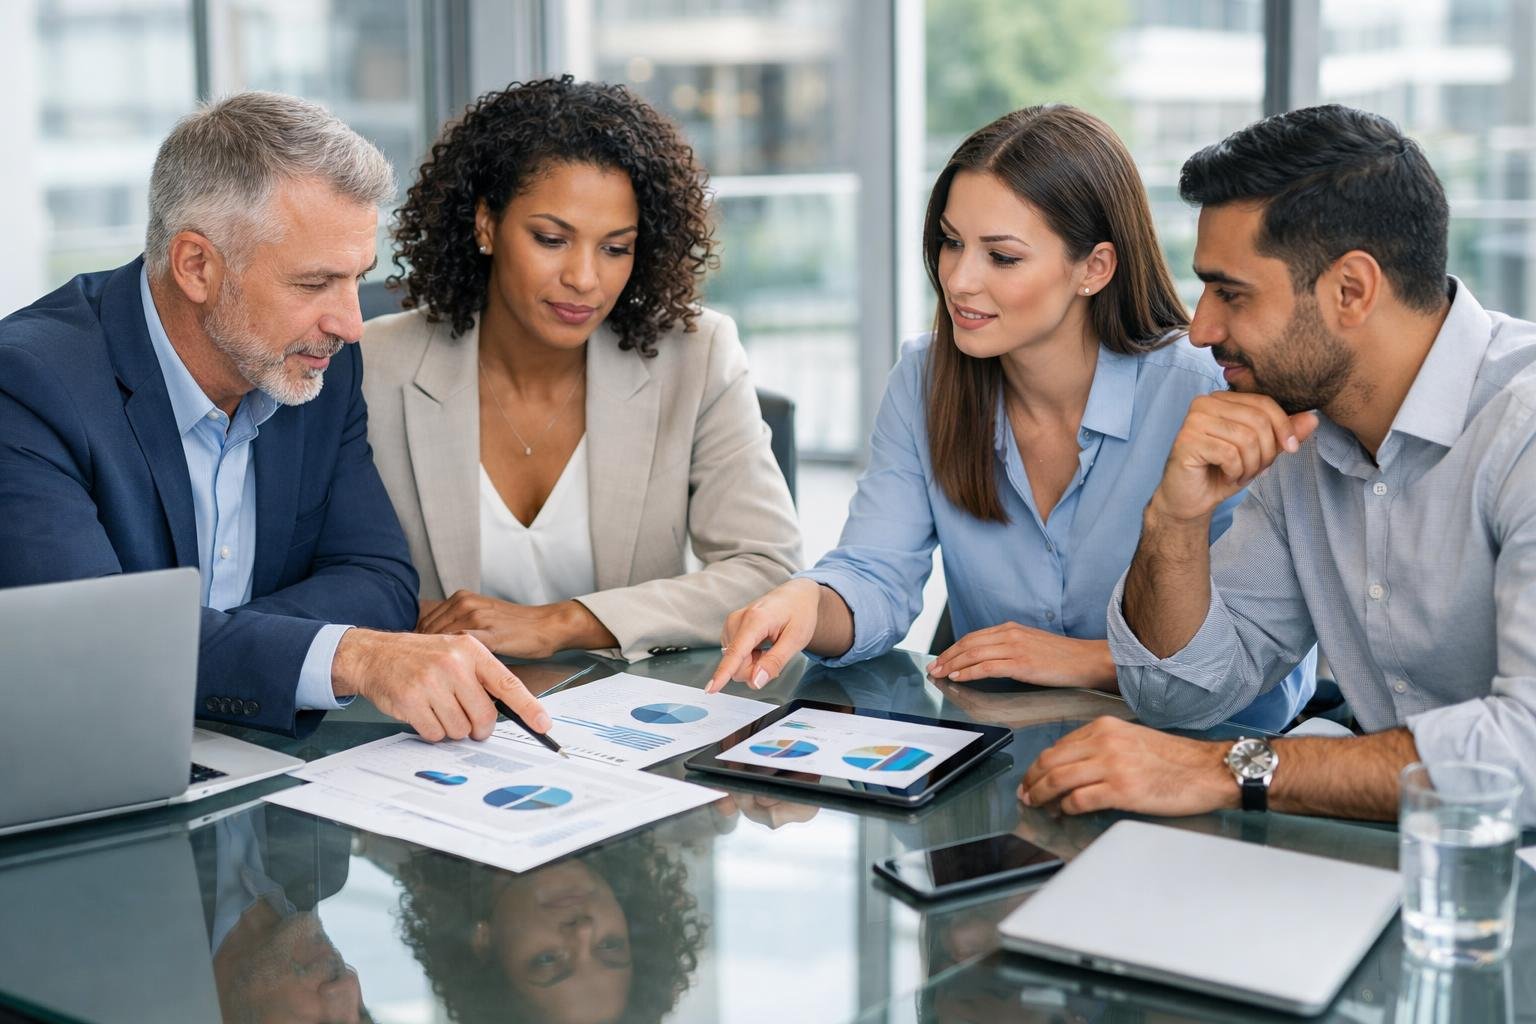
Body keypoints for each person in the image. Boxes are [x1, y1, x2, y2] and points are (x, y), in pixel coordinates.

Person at [708, 104, 1314, 732]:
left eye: (1001, 257)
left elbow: (1254, 651)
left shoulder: (1209, 391)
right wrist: (807, 601)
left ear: (1094, 269)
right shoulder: (924, 378)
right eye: (950, 242)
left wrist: (1087, 660)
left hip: (1211, 758)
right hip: (1005, 758)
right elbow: (876, 573)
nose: (959, 280)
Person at [1019, 104, 1536, 826]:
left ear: (1350, 291)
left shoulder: (1523, 430)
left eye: (1231, 293)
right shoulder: (1301, 425)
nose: (1200, 330)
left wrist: (1235, 769)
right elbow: (1183, 692)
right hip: (1402, 863)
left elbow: (1526, 752)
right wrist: (1174, 519)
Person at [0, 91, 551, 742]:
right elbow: (92, 650)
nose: (350, 324)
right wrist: (350, 655)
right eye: (315, 284)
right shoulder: (31, 385)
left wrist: (207, 644)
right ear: (196, 265)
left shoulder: (318, 363)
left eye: (358, 279)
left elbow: (380, 581)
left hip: (278, 772)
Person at [362, 76, 802, 662]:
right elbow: (319, 573)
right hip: (435, 725)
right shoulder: (373, 364)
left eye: (616, 248)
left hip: (631, 723)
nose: (585, 279)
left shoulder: (697, 356)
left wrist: (566, 622)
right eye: (551, 238)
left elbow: (769, 570)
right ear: (486, 225)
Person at [394, 834, 705, 1024]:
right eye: (610, 945)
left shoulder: (393, 832)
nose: (583, 931)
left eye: (548, 959)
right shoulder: (695, 801)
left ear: (484, 941)